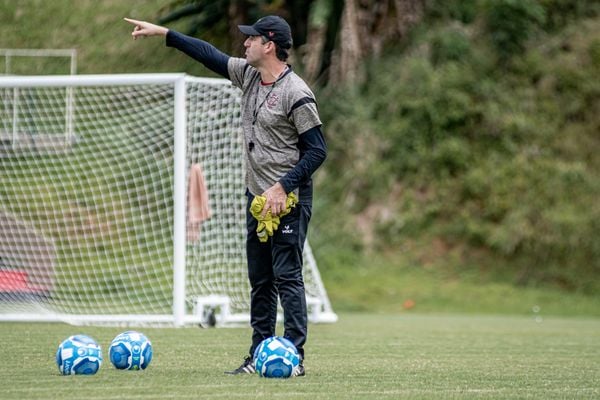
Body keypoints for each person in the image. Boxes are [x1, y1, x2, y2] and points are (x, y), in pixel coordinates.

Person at [125, 15, 327, 377]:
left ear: (269, 45)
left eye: (251, 39)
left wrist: (283, 187)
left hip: (289, 200)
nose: (244, 43)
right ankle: (258, 354)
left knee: (288, 277)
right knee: (261, 280)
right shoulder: (248, 75)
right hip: (258, 200)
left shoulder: (297, 93)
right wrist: (167, 34)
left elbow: (317, 151)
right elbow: (209, 55)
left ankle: (294, 357)